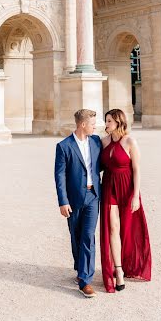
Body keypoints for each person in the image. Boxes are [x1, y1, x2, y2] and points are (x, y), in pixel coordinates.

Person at [100, 108, 152, 293]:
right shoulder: (103, 142)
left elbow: (137, 169)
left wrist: (136, 195)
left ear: (119, 122)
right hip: (109, 186)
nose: (106, 124)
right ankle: (118, 270)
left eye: (109, 121)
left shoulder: (130, 141)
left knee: (129, 229)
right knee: (113, 228)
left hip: (127, 187)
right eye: (106, 121)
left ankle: (130, 263)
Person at [54, 109, 102, 298]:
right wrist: (63, 201)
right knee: (76, 236)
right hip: (73, 199)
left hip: (93, 196)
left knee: (88, 236)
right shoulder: (64, 146)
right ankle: (79, 267)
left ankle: (85, 280)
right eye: (92, 124)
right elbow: (59, 176)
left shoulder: (97, 141)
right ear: (83, 125)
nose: (95, 127)